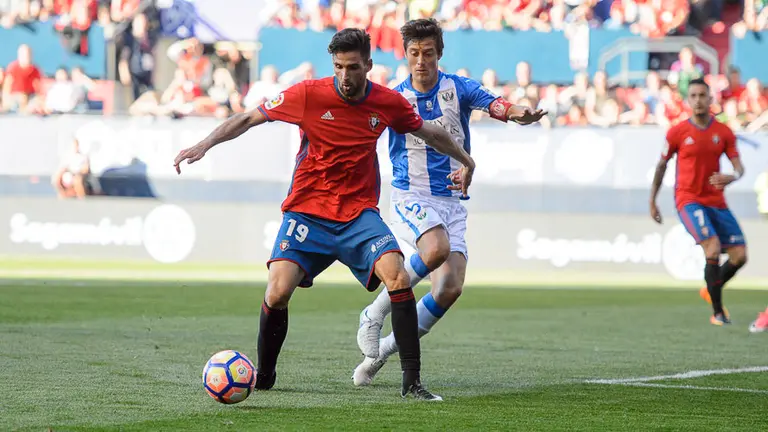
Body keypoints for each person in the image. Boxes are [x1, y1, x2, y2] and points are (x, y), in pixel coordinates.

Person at [174, 28, 477, 401]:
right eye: (338, 67)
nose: (345, 77)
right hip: (307, 212)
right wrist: (205, 144)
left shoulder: (387, 102)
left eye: (353, 67)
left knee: (398, 278)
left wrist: (466, 160)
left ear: (368, 64)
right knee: (278, 289)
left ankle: (411, 383)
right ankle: (265, 374)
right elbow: (250, 118)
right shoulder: (307, 94)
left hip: (358, 215)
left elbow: (431, 132)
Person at [353, 18, 545, 387]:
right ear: (405, 55)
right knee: (436, 248)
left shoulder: (459, 88)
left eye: (428, 53)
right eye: (413, 53)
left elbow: (499, 106)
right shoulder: (393, 99)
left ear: (440, 54)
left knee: (450, 288)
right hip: (412, 193)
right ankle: (374, 313)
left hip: (453, 202)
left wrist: (523, 114)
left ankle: (383, 355)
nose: (420, 60)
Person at [650, 78, 748, 326]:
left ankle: (710, 288)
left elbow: (739, 167)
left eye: (702, 95)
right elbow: (661, 166)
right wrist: (652, 201)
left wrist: (733, 177)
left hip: (716, 201)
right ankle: (718, 313)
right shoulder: (677, 132)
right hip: (689, 200)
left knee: (740, 255)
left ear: (710, 99)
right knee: (712, 247)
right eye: (693, 96)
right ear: (687, 100)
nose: (698, 100)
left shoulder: (723, 132)